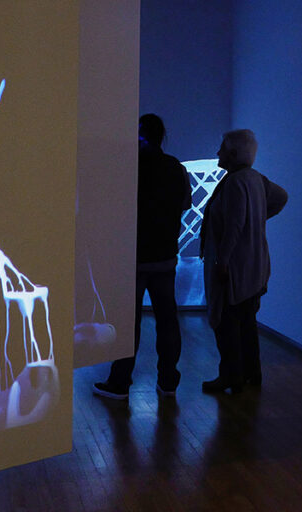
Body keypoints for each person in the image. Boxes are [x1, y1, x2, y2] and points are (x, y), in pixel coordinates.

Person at [93, 114, 191, 400]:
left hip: (132, 259)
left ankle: (120, 381)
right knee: (168, 320)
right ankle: (168, 380)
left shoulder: (128, 167)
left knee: (128, 323)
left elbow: (111, 206)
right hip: (165, 257)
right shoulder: (176, 167)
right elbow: (186, 203)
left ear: (140, 136)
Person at [200, 129, 287, 394]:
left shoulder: (236, 182)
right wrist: (257, 218)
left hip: (235, 267)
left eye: (222, 148)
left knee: (227, 323)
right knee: (247, 321)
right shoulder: (256, 179)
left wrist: (223, 260)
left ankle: (231, 375)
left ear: (233, 153)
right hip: (254, 263)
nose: (218, 152)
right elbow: (281, 197)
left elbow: (234, 225)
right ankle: (251, 373)